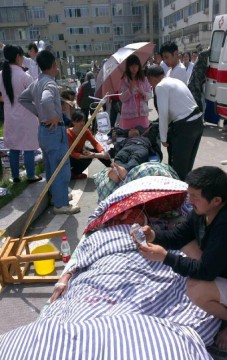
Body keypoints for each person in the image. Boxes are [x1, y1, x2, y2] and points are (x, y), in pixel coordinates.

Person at [132, 166, 227, 351]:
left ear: (216, 200)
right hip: (220, 266)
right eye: (189, 194)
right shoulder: (202, 213)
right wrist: (153, 235)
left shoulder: (224, 225)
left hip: (216, 269)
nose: (189, 201)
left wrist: (166, 258)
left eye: (195, 197)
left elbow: (206, 273)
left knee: (195, 289)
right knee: (187, 243)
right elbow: (178, 236)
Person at [18, 50, 80, 215]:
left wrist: (39, 113)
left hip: (44, 132)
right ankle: (61, 204)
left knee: (52, 168)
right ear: (53, 65)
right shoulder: (50, 84)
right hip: (54, 130)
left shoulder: (37, 82)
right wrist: (51, 114)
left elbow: (22, 99)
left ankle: (56, 198)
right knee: (61, 168)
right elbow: (45, 100)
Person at [146, 65, 203, 181]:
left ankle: (180, 196)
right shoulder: (175, 81)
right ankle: (186, 192)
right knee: (187, 165)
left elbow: (163, 114)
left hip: (185, 126)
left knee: (178, 169)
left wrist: (163, 138)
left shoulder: (160, 86)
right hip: (197, 122)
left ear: (151, 78)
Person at [0, 44, 41, 183]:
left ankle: (15, 176)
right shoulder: (24, 76)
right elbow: (35, 96)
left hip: (10, 116)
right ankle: (30, 175)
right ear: (18, 57)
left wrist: (6, 99)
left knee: (14, 148)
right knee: (28, 147)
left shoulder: (1, 74)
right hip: (26, 115)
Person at [67, 109, 111, 180]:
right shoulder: (68, 133)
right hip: (71, 158)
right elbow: (73, 153)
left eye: (83, 121)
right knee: (89, 156)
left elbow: (95, 143)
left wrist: (102, 152)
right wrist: (91, 155)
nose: (82, 123)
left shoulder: (86, 131)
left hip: (80, 153)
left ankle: (113, 166)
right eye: (79, 121)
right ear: (73, 122)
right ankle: (74, 174)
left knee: (97, 152)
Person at [119, 54, 152, 130]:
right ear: (128, 67)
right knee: (128, 138)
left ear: (139, 66)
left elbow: (150, 94)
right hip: (128, 116)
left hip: (142, 115)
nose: (134, 68)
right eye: (131, 66)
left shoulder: (144, 79)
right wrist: (129, 90)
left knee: (142, 137)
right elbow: (121, 98)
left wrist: (143, 94)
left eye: (136, 65)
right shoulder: (124, 81)